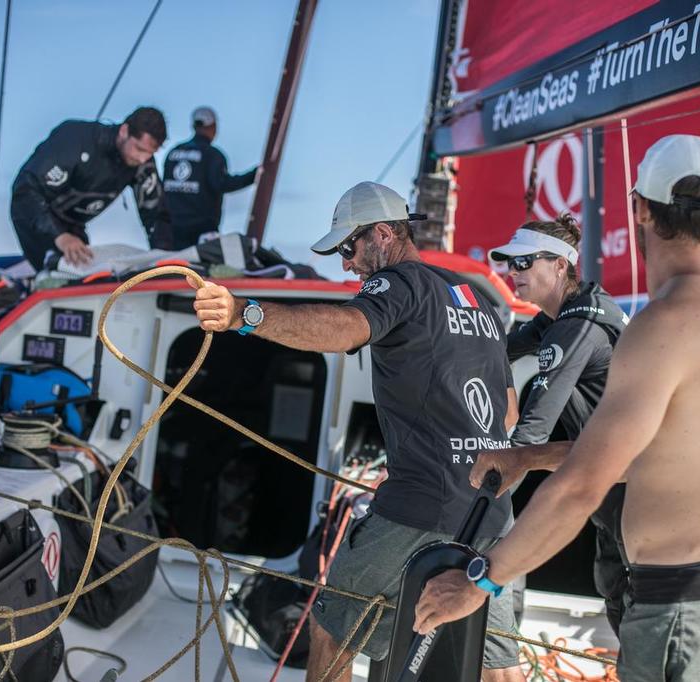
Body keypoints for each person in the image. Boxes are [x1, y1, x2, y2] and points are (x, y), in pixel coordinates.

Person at [413, 135, 700, 681]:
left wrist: (480, 582)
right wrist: (530, 458)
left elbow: (581, 487)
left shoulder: (660, 325)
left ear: (638, 208)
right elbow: (664, 455)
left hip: (689, 619)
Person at [193, 181, 526, 682]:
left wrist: (245, 314)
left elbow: (346, 327)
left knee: (333, 624)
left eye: (349, 248)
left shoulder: (399, 283)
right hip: (490, 511)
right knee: (495, 660)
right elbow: (508, 413)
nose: (346, 264)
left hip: (417, 506)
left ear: (385, 234)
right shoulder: (475, 299)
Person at [488, 213, 630, 633]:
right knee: (618, 596)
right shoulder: (561, 317)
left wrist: (476, 505)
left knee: (636, 617)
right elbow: (499, 350)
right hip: (613, 492)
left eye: (524, 262)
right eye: (510, 264)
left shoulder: (578, 326)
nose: (513, 273)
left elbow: (532, 434)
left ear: (560, 265)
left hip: (633, 497)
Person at [10, 106, 171, 270]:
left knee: (83, 271)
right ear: (124, 131)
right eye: (139, 149)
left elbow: (156, 213)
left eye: (151, 153)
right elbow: (26, 190)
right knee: (57, 274)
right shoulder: (75, 139)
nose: (143, 159)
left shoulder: (141, 162)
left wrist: (166, 260)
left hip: (74, 226)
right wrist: (60, 236)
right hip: (36, 216)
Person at [154, 106, 258, 250]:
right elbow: (223, 184)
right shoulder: (213, 156)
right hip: (201, 231)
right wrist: (255, 175)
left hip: (171, 230)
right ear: (213, 127)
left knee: (173, 268)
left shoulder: (173, 153)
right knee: (198, 271)